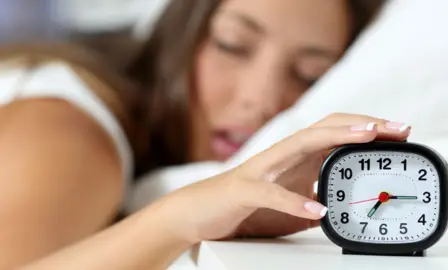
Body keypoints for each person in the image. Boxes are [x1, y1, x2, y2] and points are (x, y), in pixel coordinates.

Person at [0, 0, 386, 268]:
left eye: (309, 75)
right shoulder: (68, 129)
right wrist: (179, 219)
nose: (262, 99)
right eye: (231, 45)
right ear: (178, 33)